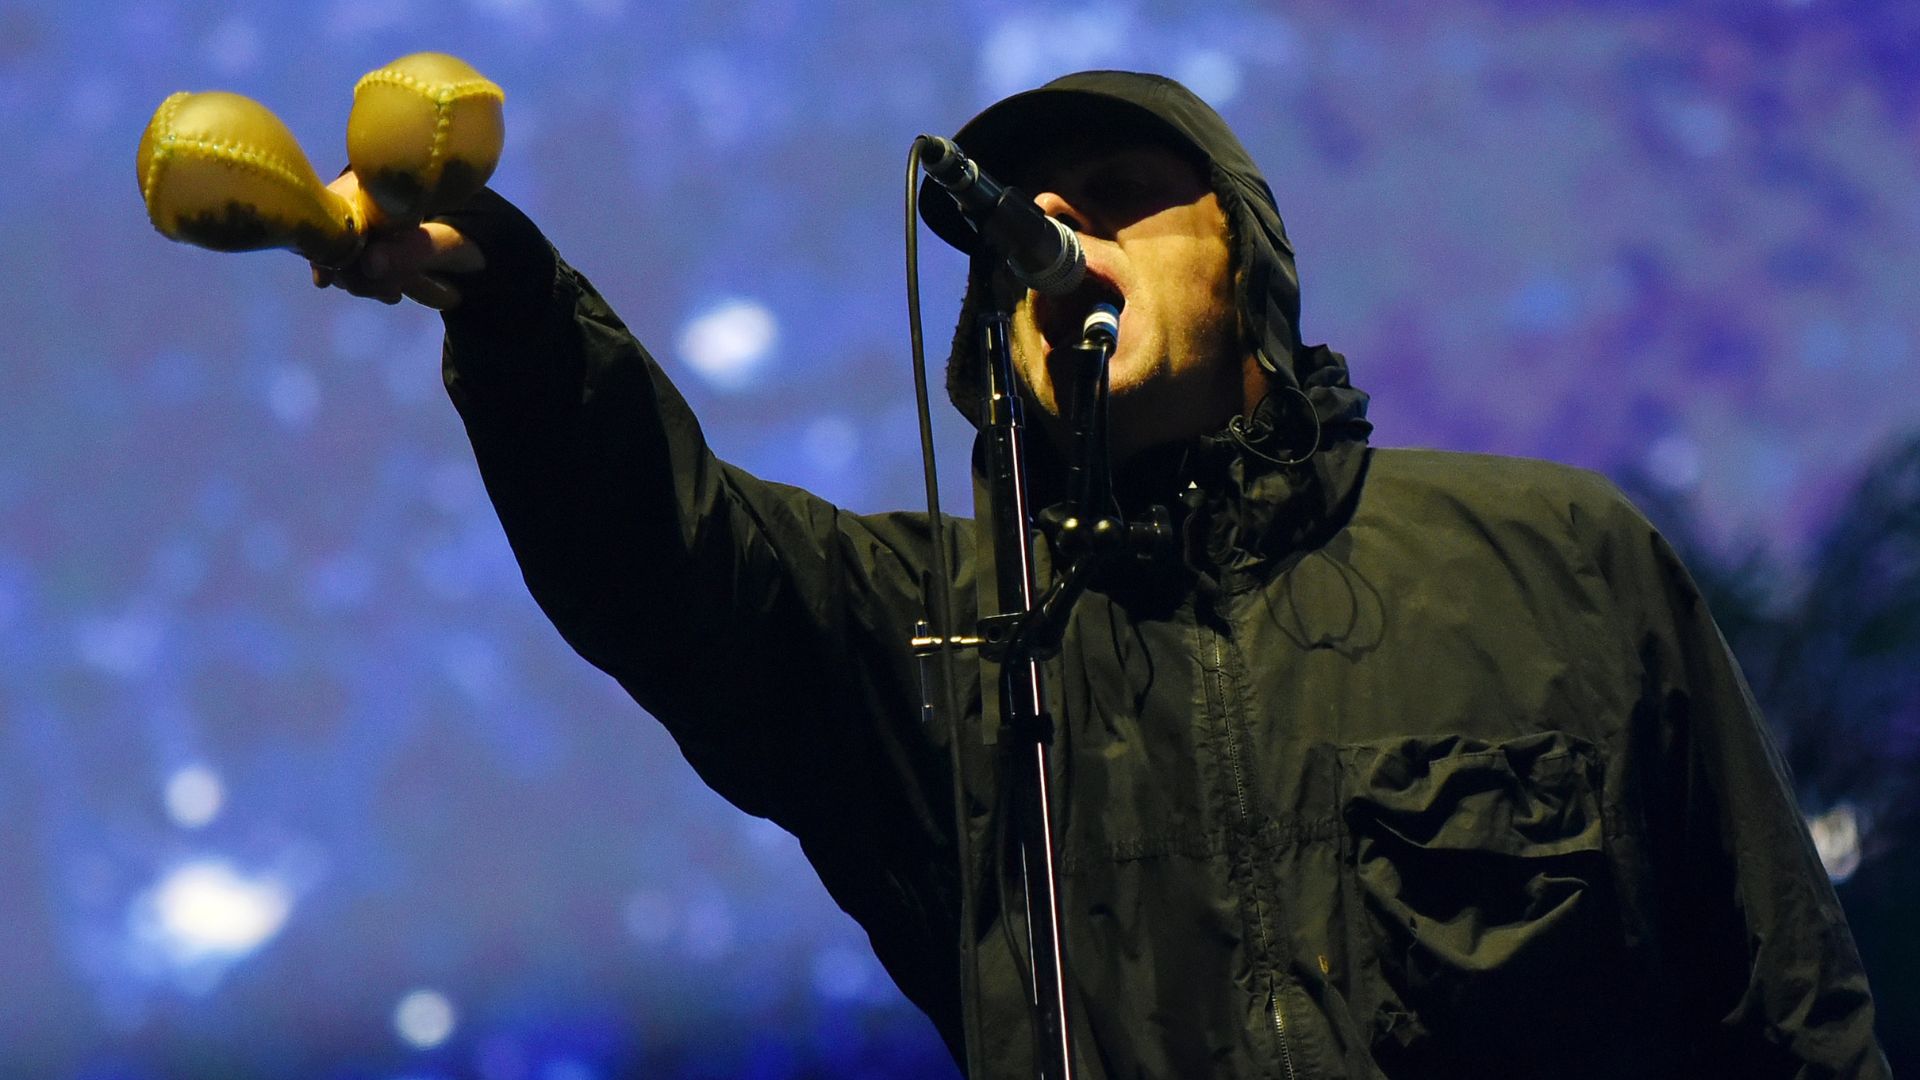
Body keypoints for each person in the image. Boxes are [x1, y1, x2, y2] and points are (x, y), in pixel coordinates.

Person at [314, 71, 1889, 1078]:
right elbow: (661, 556)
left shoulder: (1559, 562)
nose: (1051, 223)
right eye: (1019, 229)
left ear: (1250, 273)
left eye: (1119, 190)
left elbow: (1792, 1011)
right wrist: (511, 309)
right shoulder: (934, 633)